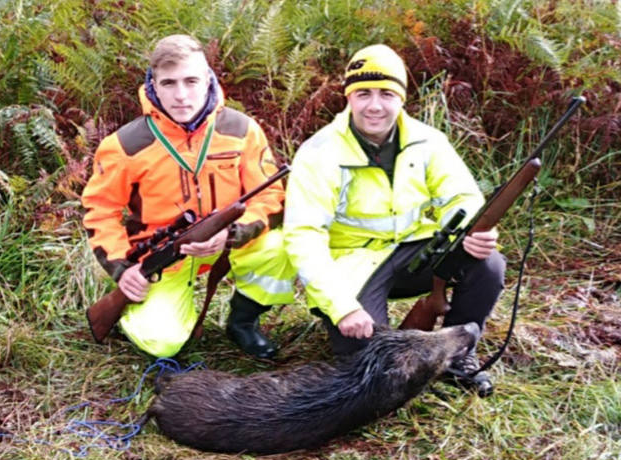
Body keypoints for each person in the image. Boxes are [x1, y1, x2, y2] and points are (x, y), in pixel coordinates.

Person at [283, 44, 505, 396]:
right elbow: (303, 237)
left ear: (401, 98)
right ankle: (391, 336)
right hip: (351, 265)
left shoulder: (428, 141)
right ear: (348, 98)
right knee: (370, 365)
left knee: (488, 264)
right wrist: (342, 307)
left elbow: (463, 197)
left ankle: (458, 356)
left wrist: (471, 232)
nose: (374, 105)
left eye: (386, 93)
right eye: (363, 94)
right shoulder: (318, 153)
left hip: (414, 251)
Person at [81, 34, 295, 359]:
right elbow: (100, 211)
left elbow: (270, 198)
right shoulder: (124, 144)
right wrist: (123, 271)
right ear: (153, 84)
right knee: (164, 344)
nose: (181, 95)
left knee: (282, 247)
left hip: (227, 244)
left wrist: (231, 234)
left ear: (208, 79)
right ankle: (133, 313)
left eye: (191, 81)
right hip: (163, 259)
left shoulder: (242, 130)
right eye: (169, 83)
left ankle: (243, 322)